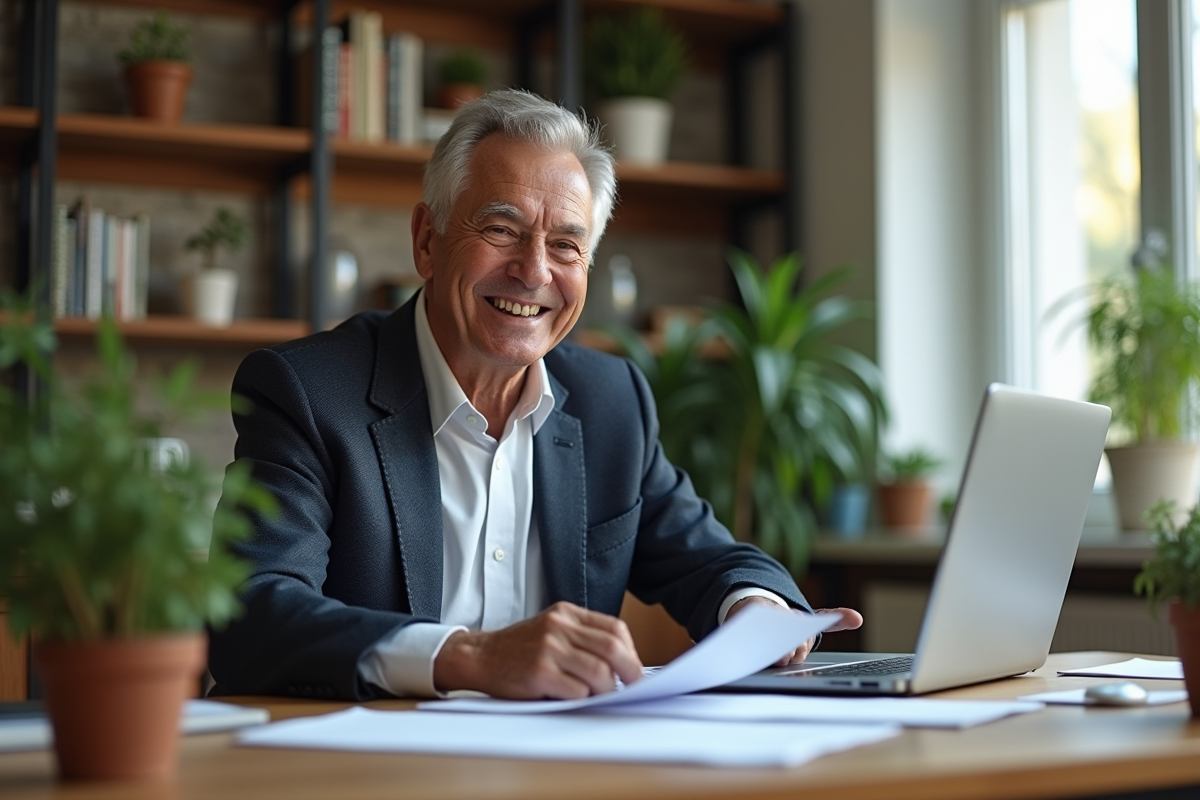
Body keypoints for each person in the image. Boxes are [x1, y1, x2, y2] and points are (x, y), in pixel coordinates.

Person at [207, 89, 861, 701]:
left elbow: (709, 557)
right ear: (428, 241)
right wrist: (467, 657)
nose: (535, 271)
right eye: (502, 230)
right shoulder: (309, 392)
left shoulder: (611, 400)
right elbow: (251, 612)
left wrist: (759, 609)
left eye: (566, 245)